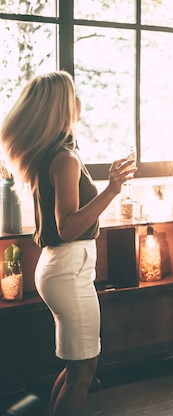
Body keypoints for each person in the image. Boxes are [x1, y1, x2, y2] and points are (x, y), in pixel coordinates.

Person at [0, 71, 136, 416]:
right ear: (62, 106)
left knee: (78, 369)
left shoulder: (56, 152)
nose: (80, 101)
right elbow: (69, 227)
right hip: (68, 268)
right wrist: (111, 189)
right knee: (84, 372)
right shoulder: (64, 158)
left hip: (63, 268)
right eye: (73, 94)